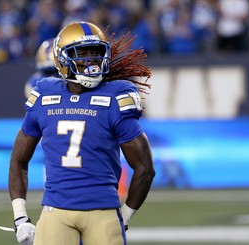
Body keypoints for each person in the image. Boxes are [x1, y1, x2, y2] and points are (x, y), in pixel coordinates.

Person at [8, 21, 155, 245]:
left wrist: (123, 218)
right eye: (81, 53)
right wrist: (20, 217)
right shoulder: (45, 94)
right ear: (62, 60)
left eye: (96, 53)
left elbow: (145, 168)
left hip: (103, 211)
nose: (91, 61)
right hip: (55, 210)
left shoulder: (115, 97)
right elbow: (18, 160)